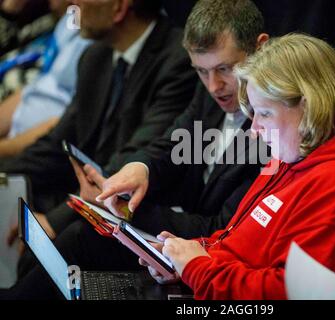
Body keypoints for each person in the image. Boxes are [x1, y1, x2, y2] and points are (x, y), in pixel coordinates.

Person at [0, 0, 269, 299]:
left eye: (224, 69)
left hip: (212, 262)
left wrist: (125, 211)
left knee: (80, 240)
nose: (214, 85)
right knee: (78, 237)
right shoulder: (211, 93)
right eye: (202, 72)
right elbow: (170, 145)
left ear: (260, 47)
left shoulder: (275, 122)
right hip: (176, 241)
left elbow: (223, 227)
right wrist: (138, 168)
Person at [137, 33, 335, 299]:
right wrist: (187, 256)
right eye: (254, 113)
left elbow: (289, 294)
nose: (254, 130)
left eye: (265, 114)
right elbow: (238, 243)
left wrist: (200, 270)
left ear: (309, 108)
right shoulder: (291, 156)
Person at [0, 0, 196, 274]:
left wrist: (54, 221)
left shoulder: (177, 61)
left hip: (132, 212)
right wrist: (4, 173)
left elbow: (131, 161)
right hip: (83, 194)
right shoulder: (96, 56)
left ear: (118, 8)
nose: (74, 4)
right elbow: (57, 144)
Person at [0, 0, 92, 158]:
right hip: (14, 134)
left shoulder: (102, 47)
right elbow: (38, 86)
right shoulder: (72, 16)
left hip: (44, 155)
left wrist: (3, 149)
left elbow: (70, 123)